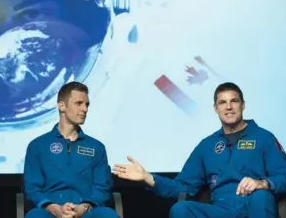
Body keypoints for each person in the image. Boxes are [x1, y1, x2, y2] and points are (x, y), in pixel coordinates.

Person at [113, 82, 286, 218]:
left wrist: (262, 183)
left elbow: (283, 175)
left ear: (243, 105)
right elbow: (184, 186)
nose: (228, 107)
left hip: (253, 205)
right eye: (222, 102)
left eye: (234, 101)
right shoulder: (207, 146)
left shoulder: (264, 138)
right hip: (221, 209)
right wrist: (149, 178)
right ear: (215, 108)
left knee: (261, 197)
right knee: (181, 209)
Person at [23, 81, 118, 218]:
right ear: (61, 106)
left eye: (87, 104)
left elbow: (102, 188)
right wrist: (54, 208)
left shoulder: (96, 147)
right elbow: (33, 189)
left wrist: (83, 208)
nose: (85, 109)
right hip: (50, 212)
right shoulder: (38, 146)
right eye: (79, 103)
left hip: (86, 211)